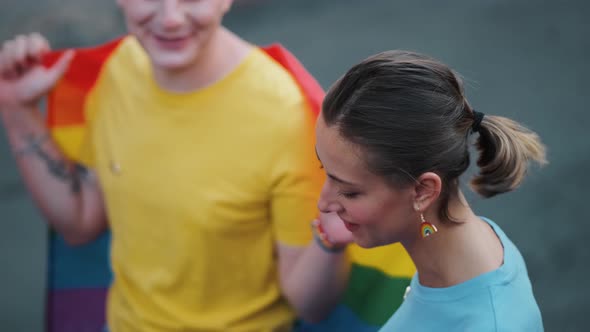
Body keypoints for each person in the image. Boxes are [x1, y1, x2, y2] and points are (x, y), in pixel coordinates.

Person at [0, 1, 354, 330]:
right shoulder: (119, 69)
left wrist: (330, 241)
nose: (170, 17)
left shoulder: (287, 116)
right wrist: (17, 111)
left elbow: (310, 306)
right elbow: (81, 220)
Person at [315, 50, 546, 331]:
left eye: (350, 192)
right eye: (323, 170)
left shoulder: (488, 324)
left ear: (423, 191)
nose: (323, 203)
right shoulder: (474, 246)